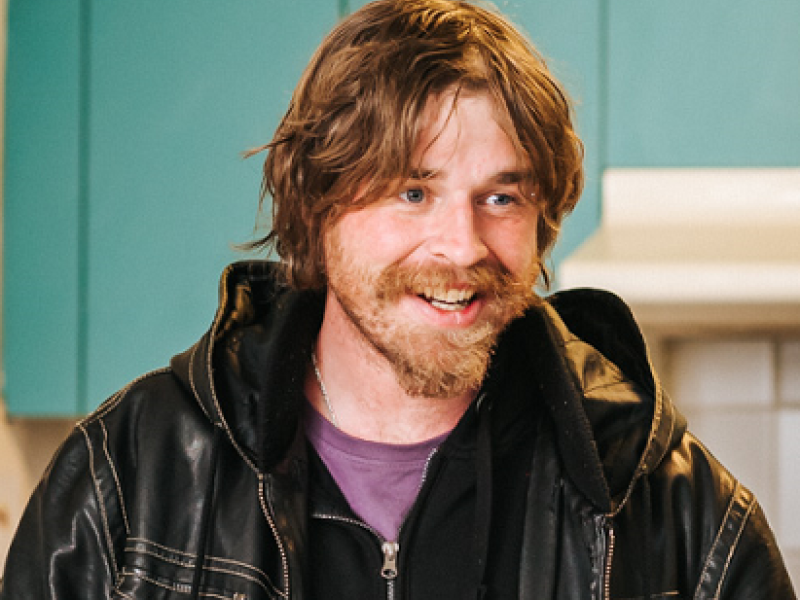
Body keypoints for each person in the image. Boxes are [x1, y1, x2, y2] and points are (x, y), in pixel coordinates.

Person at [1, 0, 795, 598]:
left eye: (503, 198)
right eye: (413, 192)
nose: (461, 246)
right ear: (317, 206)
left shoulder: (679, 510)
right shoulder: (124, 485)